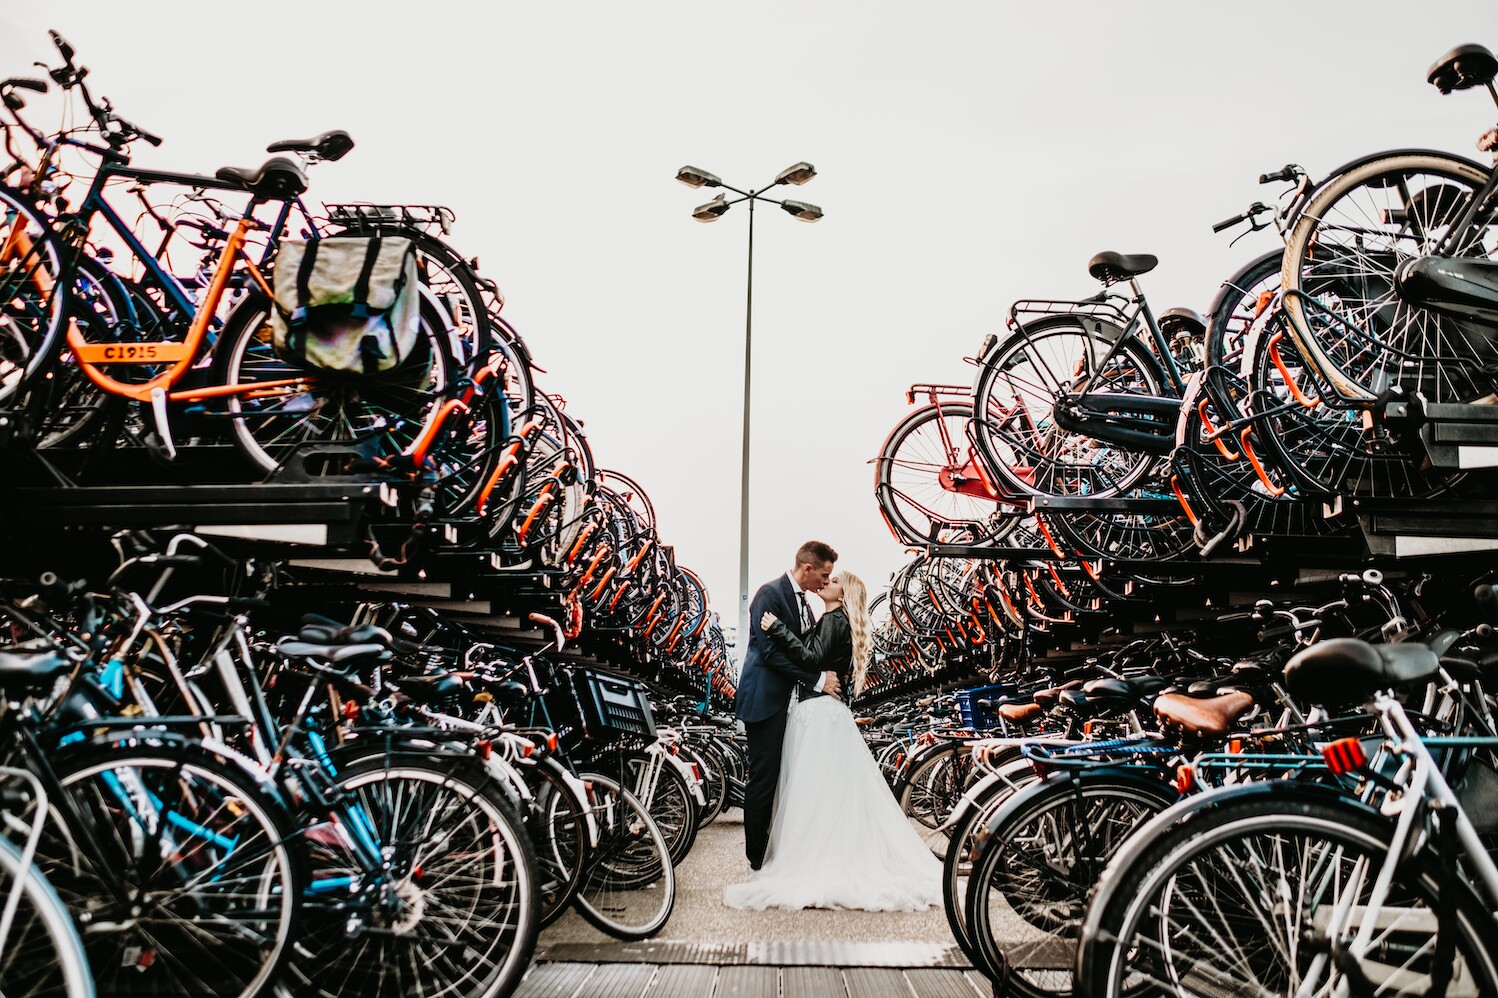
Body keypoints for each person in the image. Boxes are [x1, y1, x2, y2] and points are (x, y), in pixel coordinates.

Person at [724, 570, 942, 911]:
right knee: (827, 792)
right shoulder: (832, 618)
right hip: (823, 714)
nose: (827, 582)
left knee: (814, 790)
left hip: (820, 716)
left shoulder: (832, 619)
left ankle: (808, 859)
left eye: (835, 580)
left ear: (844, 595)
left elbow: (811, 659)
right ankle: (818, 854)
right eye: (828, 577)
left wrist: (777, 628)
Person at [733, 541, 842, 871]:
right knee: (763, 780)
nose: (825, 582)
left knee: (780, 779)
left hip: (784, 704)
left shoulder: (803, 604)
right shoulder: (770, 595)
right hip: (763, 702)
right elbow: (771, 654)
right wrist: (817, 680)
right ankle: (757, 860)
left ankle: (772, 852)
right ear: (807, 569)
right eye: (823, 575)